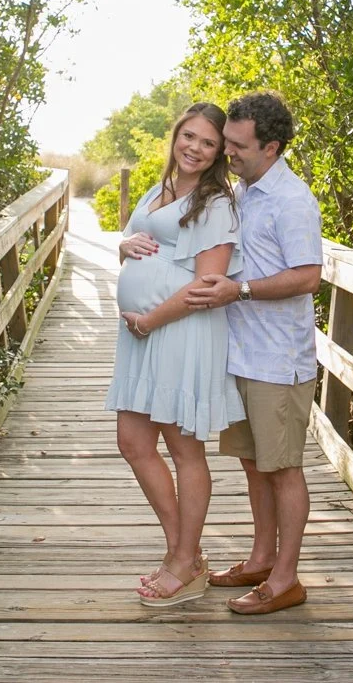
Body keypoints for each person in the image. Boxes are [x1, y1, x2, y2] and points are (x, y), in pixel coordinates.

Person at [186, 91, 323, 616]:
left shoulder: (292, 200)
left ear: (272, 147)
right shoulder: (244, 190)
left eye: (239, 146)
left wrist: (238, 291)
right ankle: (261, 558)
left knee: (284, 467)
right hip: (240, 355)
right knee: (253, 463)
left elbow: (309, 276)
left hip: (277, 360)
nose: (229, 153)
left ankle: (285, 579)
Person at [105, 102, 247, 607]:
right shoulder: (160, 186)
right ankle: (183, 554)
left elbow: (207, 285)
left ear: (218, 153)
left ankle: (184, 562)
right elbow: (136, 240)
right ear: (175, 136)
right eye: (188, 136)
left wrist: (148, 319)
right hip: (141, 336)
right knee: (133, 441)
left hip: (178, 332)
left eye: (207, 143)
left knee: (184, 448)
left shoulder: (217, 205)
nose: (194, 148)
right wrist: (124, 249)